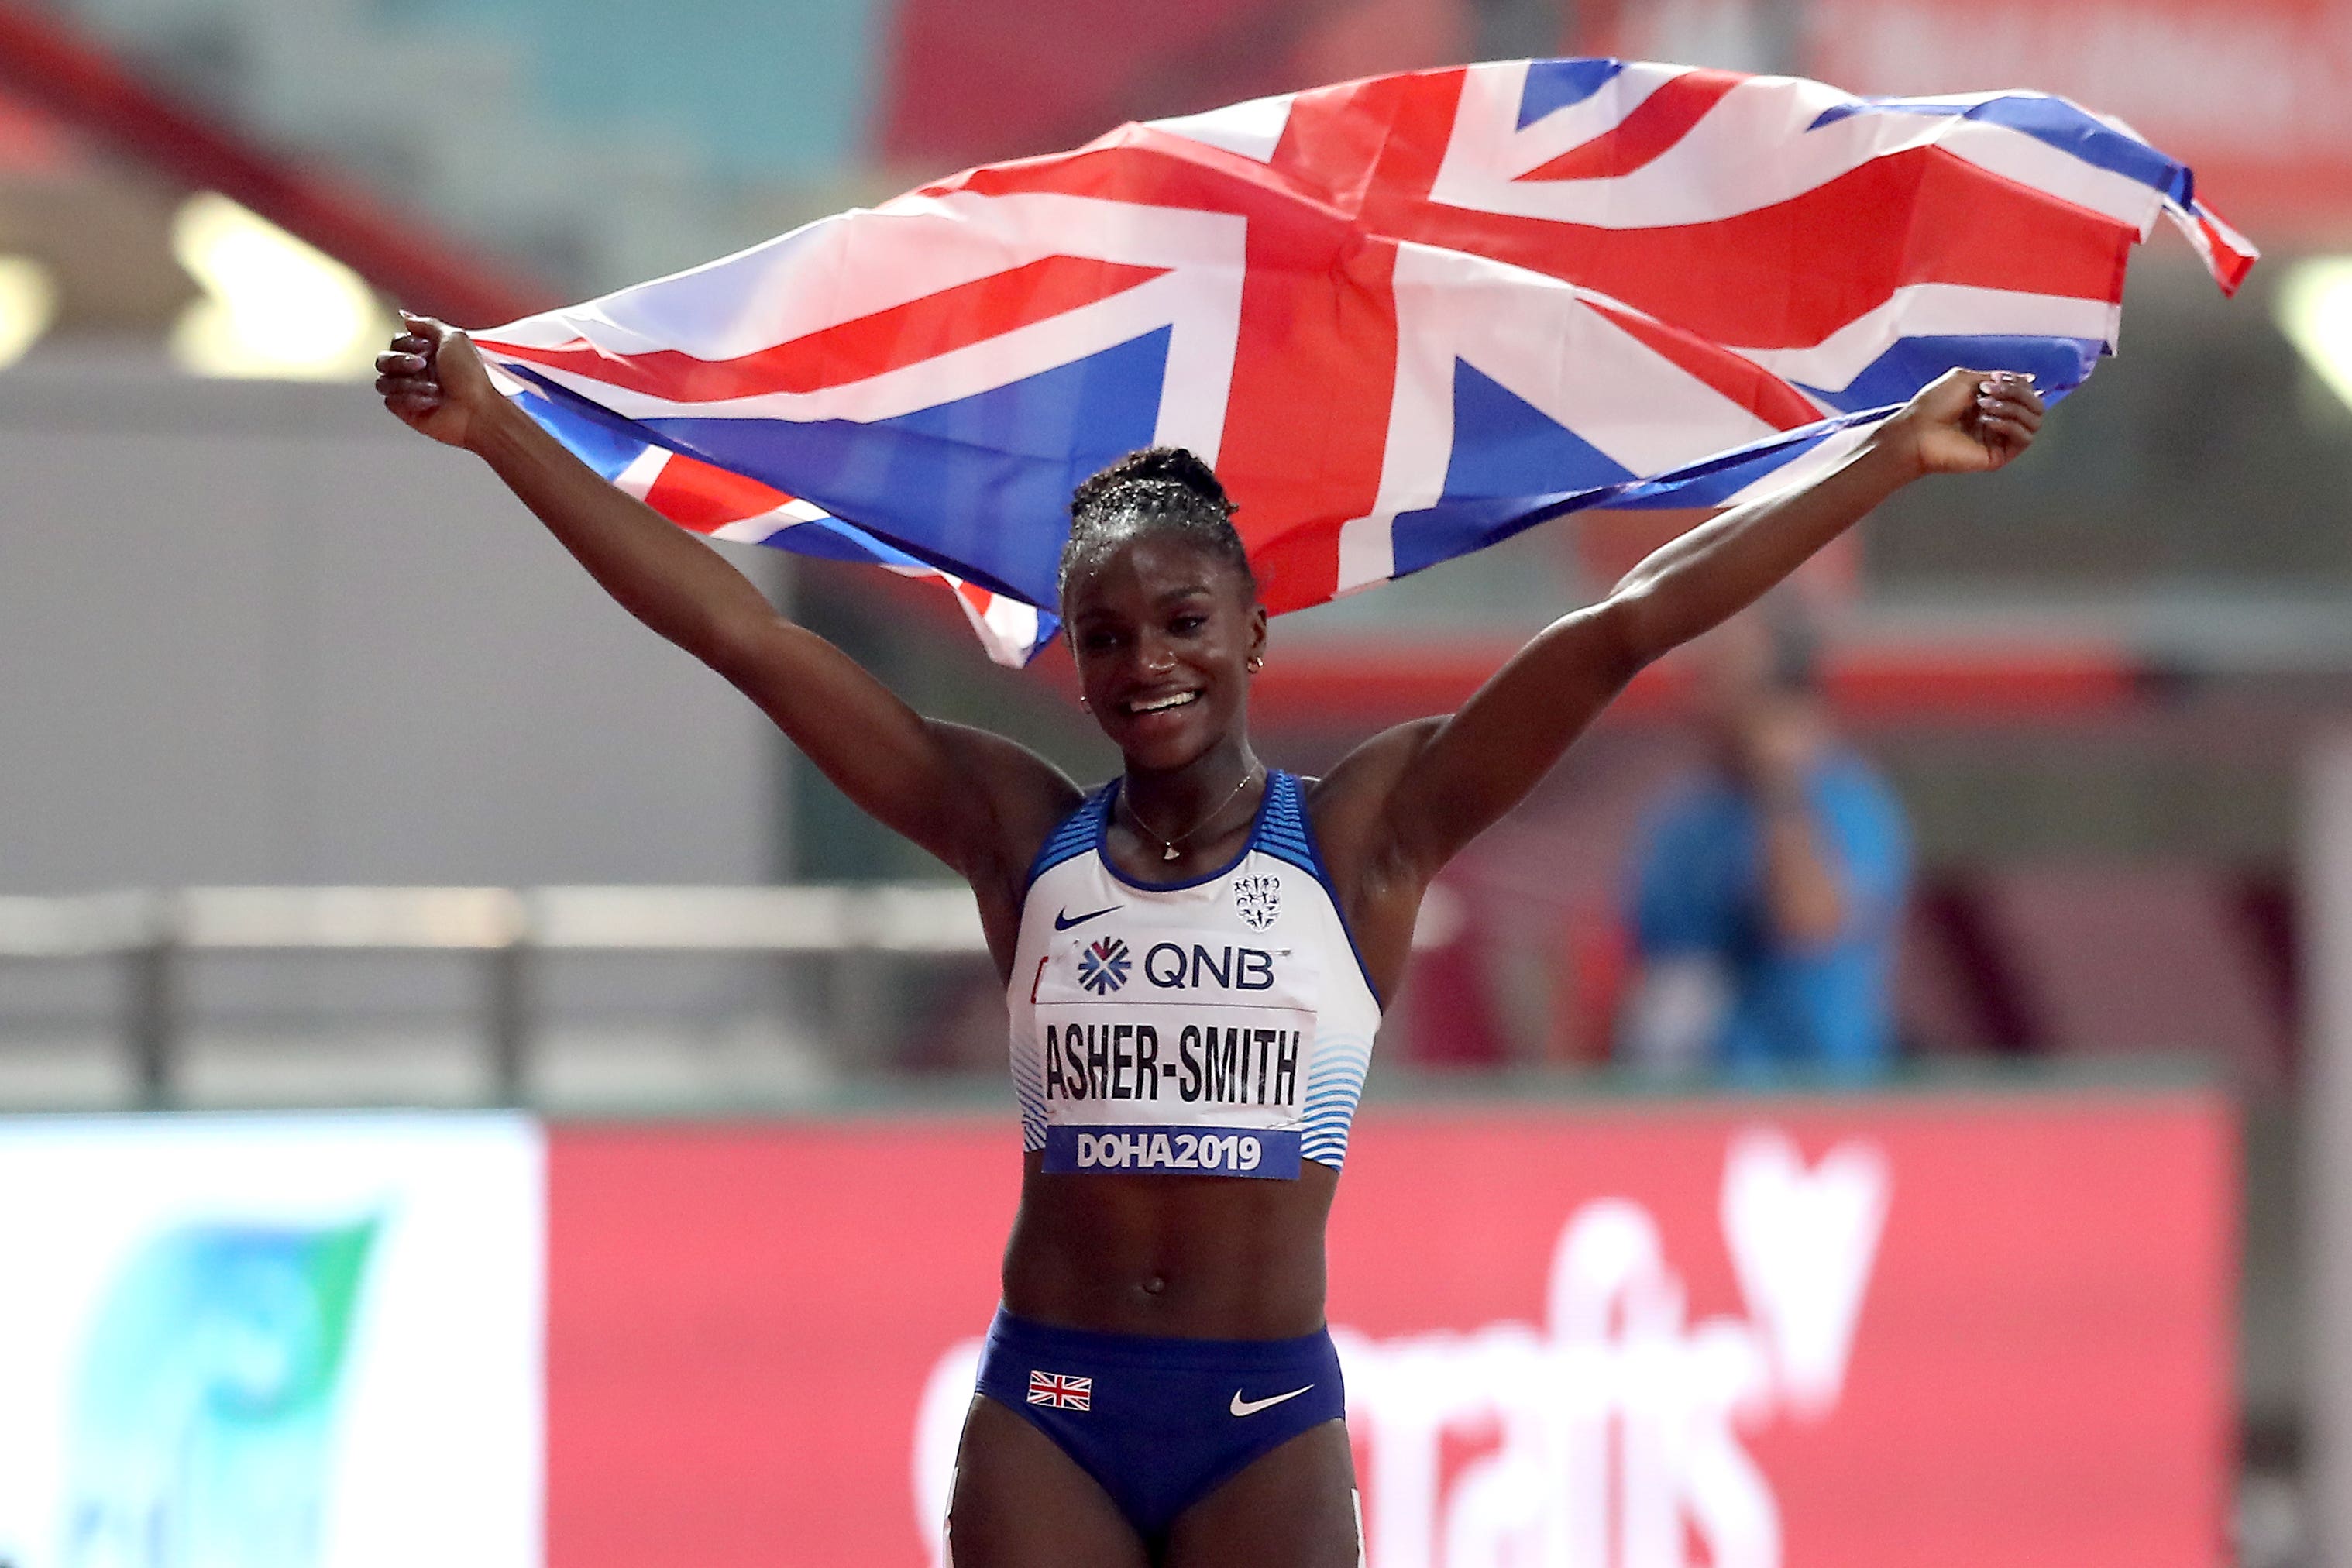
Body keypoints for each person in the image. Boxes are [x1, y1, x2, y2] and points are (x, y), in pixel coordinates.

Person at [376, 312, 2041, 1568]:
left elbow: (1620, 631)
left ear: (1254, 626)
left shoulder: (1367, 835)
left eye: (1183, 623)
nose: (1146, 663)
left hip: (1263, 1425)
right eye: (1104, 636)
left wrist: (1886, 453)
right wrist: (503, 431)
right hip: (1052, 1414)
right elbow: (742, 633)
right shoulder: (1020, 835)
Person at [1617, 602, 1910, 1078]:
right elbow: (1659, 972)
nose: (1702, 701)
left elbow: (1808, 921)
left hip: (1816, 1107)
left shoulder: (1847, 805)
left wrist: (1780, 781)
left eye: (1726, 681)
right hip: (1689, 1104)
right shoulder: (1683, 821)